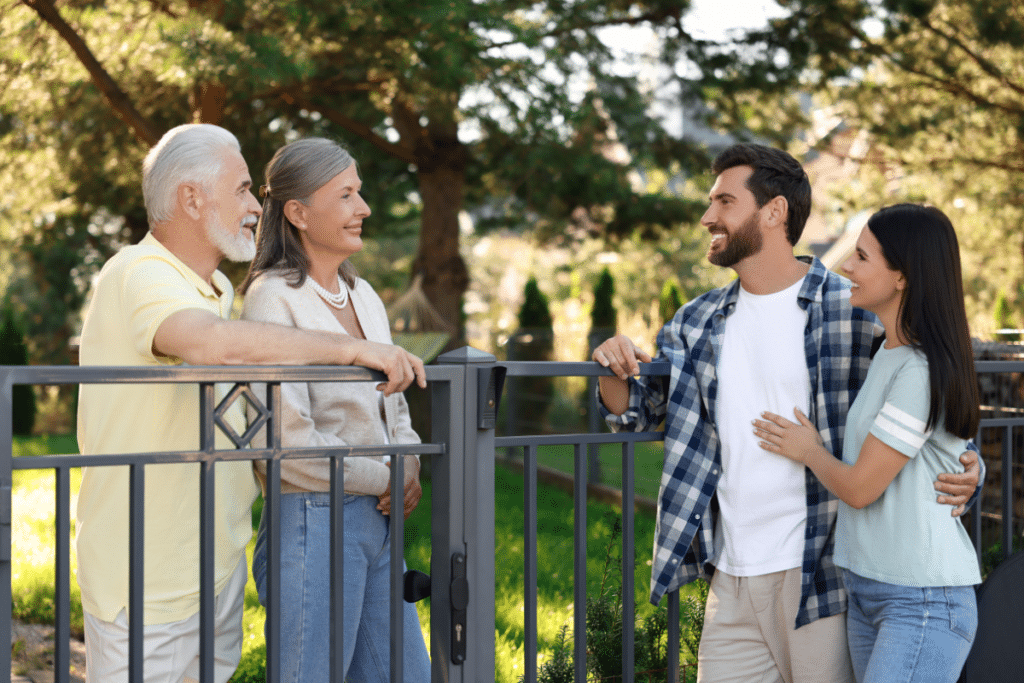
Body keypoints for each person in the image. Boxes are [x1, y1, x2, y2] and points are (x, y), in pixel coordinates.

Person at [591, 143, 982, 683]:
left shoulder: (854, 311)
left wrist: (970, 464)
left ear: (773, 212)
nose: (708, 217)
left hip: (822, 576)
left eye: (724, 202)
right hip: (730, 576)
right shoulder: (697, 320)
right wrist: (614, 368)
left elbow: (932, 388)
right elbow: (638, 411)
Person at [76, 123, 426, 683]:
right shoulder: (137, 274)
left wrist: (402, 460)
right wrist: (350, 349)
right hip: (146, 579)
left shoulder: (213, 292)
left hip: (213, 570)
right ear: (191, 197)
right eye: (242, 188)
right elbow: (213, 352)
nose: (254, 205)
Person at [753, 204, 981, 683]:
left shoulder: (917, 370)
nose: (846, 267)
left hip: (919, 601)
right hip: (870, 591)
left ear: (901, 276)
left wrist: (808, 449)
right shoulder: (889, 353)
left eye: (861, 256)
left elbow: (860, 489)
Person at [239, 137, 431, 683]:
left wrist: (409, 462)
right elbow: (286, 444)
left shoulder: (363, 294)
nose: (363, 208)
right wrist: (386, 477)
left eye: (360, 193)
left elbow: (395, 410)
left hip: (377, 521)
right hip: (313, 522)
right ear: (298, 213)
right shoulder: (272, 299)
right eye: (346, 195)